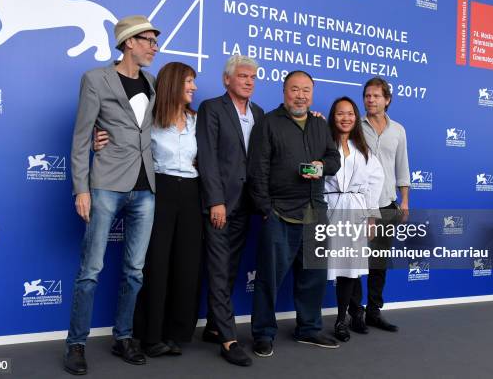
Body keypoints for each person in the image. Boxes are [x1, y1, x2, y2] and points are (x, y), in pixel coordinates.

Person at [64, 15, 160, 375]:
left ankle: (124, 336)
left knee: (135, 271)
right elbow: (80, 136)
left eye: (155, 41)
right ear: (129, 42)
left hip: (145, 188)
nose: (154, 47)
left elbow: (151, 129)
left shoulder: (151, 81)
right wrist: (81, 188)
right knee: (91, 270)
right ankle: (76, 345)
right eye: (148, 40)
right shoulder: (95, 79)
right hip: (104, 184)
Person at [95, 62, 203, 357]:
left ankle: (176, 333)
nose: (193, 87)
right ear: (173, 85)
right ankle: (150, 336)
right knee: (155, 264)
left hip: (192, 193)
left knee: (186, 264)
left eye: (194, 82)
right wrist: (97, 136)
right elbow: (120, 135)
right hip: (160, 191)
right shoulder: (150, 120)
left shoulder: (197, 120)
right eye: (189, 82)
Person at [248, 70, 341, 357]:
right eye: (294, 89)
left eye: (306, 90)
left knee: (313, 276)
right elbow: (257, 170)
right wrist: (265, 208)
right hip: (280, 212)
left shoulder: (318, 124)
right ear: (284, 92)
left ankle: (309, 328)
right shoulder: (268, 124)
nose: (300, 95)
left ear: (311, 93)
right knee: (268, 278)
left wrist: (322, 166)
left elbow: (334, 158)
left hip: (314, 212)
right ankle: (263, 333)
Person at [196, 55, 264, 366]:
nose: (249, 81)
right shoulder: (212, 108)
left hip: (247, 204)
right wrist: (215, 201)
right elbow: (208, 158)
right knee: (220, 269)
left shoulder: (260, 113)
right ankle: (228, 338)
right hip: (221, 204)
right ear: (227, 80)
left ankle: (212, 325)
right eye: (243, 76)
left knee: (231, 268)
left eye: (253, 77)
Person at [324, 97, 384, 342]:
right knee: (331, 265)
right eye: (340, 113)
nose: (345, 118)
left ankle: (342, 319)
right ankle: (350, 312)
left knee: (349, 269)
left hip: (356, 211)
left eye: (350, 113)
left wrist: (371, 216)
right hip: (329, 209)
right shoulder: (324, 144)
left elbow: (374, 182)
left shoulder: (364, 149)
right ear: (333, 116)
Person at [361, 77, 410, 332]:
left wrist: (404, 200)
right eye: (367, 96)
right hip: (359, 206)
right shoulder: (354, 125)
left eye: (376, 96)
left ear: (387, 100)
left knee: (378, 263)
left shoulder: (398, 130)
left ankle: (374, 312)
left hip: (387, 205)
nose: (371, 100)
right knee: (352, 263)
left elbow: (402, 167)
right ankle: (353, 314)